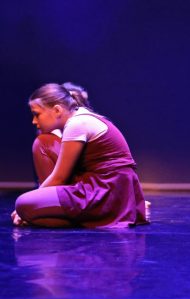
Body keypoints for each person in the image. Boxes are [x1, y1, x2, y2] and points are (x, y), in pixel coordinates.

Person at [12, 83, 147, 228]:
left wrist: (31, 205)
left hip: (105, 190)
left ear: (57, 110)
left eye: (36, 114)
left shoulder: (77, 124)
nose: (34, 121)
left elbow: (59, 177)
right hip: (103, 185)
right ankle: (49, 212)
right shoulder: (79, 117)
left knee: (22, 204)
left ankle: (66, 217)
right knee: (43, 143)